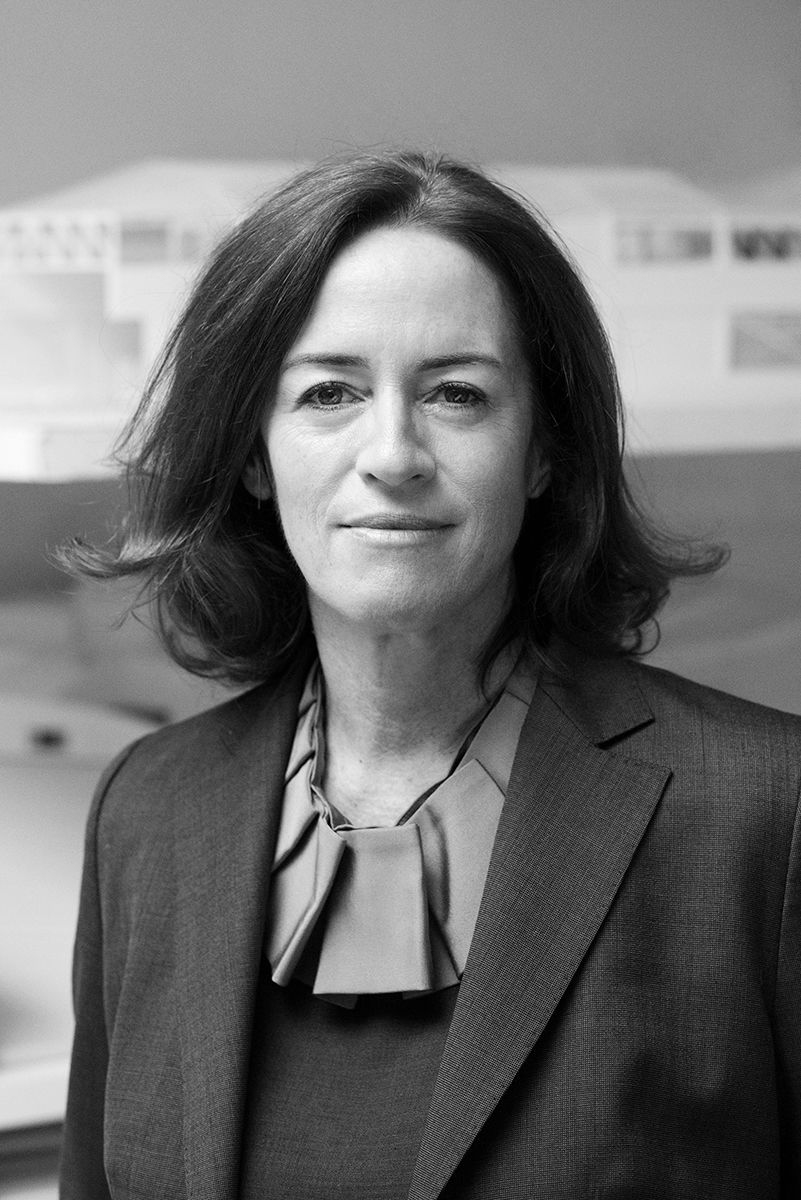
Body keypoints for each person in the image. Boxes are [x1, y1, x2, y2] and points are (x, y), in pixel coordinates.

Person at [59, 150, 800, 1200]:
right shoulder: (146, 810)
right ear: (254, 455)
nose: (393, 453)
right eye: (328, 393)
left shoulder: (765, 815)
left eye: (456, 394)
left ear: (543, 450)